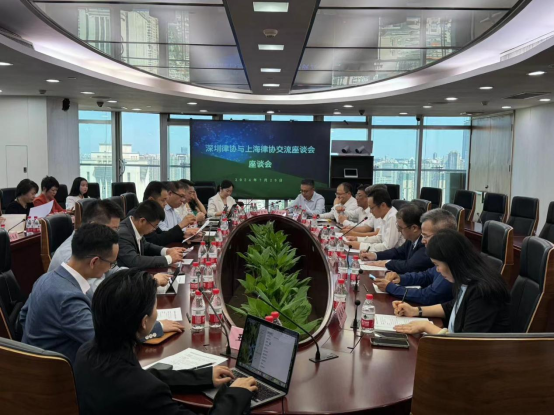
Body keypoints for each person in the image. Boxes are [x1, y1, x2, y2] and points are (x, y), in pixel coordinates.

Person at [74, 269, 256, 415]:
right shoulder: (146, 393)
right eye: (155, 306)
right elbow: (141, 383)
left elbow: (143, 375)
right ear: (144, 322)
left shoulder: (86, 353)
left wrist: (203, 377)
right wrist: (235, 395)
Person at [19, 224, 183, 363]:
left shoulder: (45, 278)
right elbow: (108, 343)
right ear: (94, 262)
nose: (111, 268)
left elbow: (23, 317)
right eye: (111, 263)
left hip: (38, 363)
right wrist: (154, 326)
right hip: (63, 375)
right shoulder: (68, 298)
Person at [393, 229, 511, 335]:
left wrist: (426, 326)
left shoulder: (482, 291)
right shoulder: (466, 279)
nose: (438, 270)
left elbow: (468, 342)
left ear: (451, 262)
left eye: (437, 265)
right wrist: (415, 311)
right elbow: (453, 307)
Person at [373, 208, 457, 305]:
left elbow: (429, 296)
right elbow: (427, 275)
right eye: (422, 236)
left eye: (426, 236)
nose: (423, 241)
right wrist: (401, 278)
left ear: (444, 235)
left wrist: (391, 288)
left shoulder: (454, 260)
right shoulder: (442, 254)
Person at [361, 204, 432, 274]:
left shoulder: (425, 243)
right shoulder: (412, 239)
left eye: (400, 228)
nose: (398, 230)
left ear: (414, 228)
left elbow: (409, 266)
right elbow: (397, 252)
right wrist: (375, 255)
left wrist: (386, 263)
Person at [117, 200, 186, 269]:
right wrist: (168, 259)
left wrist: (167, 251)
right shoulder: (123, 233)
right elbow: (134, 261)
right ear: (142, 221)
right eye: (155, 225)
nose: (155, 229)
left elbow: (146, 245)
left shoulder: (134, 226)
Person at [129, 181, 197, 246]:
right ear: (151, 200)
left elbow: (161, 234)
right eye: (163, 200)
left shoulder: (152, 213)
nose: (165, 203)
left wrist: (183, 235)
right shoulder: (139, 215)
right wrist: (181, 225)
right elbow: (156, 241)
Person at [345, 188, 404, 252]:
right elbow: (379, 238)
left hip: (395, 256)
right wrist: (357, 239)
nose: (370, 211)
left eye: (372, 208)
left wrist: (360, 245)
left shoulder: (393, 218)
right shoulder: (384, 215)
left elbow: (387, 247)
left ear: (383, 205)